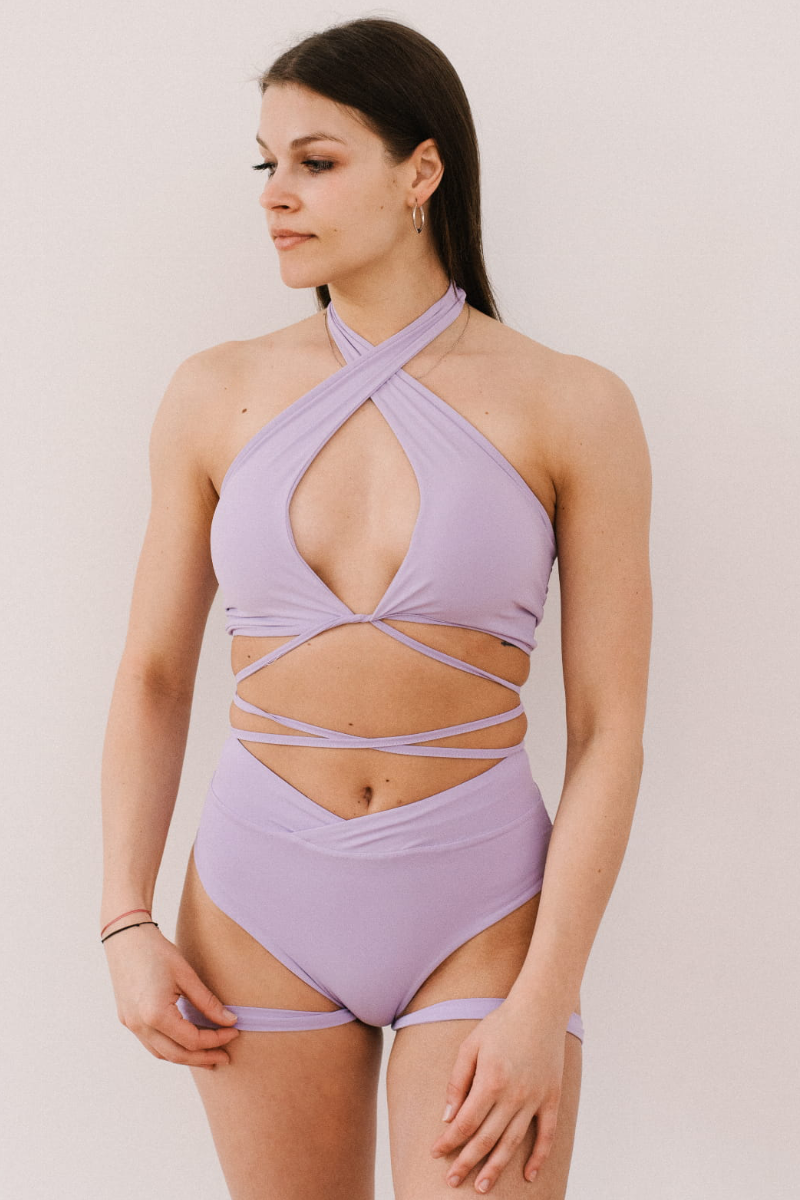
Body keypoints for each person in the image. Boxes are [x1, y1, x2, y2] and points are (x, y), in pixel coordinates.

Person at [99, 16, 652, 1199]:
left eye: (316, 160)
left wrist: (544, 997)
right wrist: (124, 919)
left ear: (420, 171)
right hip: (254, 900)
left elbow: (608, 729)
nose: (275, 194)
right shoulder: (213, 393)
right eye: (267, 163)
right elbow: (152, 675)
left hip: (482, 909)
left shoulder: (570, 405)